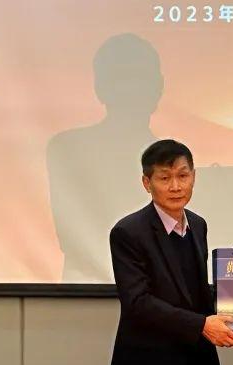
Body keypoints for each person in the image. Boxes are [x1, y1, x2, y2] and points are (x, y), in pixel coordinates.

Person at [105, 139, 233, 365]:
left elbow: (195, 291)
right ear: (147, 183)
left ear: (194, 177)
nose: (176, 186)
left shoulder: (198, 225)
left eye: (183, 175)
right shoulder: (128, 232)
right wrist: (202, 325)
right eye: (165, 178)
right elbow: (138, 303)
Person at [47, 34, 163, 283]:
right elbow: (71, 234)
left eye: (142, 78)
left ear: (159, 87)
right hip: (87, 292)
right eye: (124, 78)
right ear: (101, 87)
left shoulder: (176, 160)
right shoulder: (68, 149)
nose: (133, 89)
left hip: (161, 296)